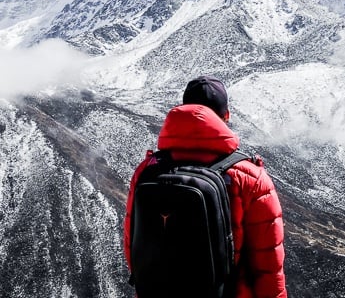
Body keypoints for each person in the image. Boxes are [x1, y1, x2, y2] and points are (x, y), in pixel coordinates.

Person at [123, 76, 287, 298]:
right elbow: (268, 268)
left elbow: (133, 249)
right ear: (225, 116)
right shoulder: (250, 178)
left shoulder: (147, 170)